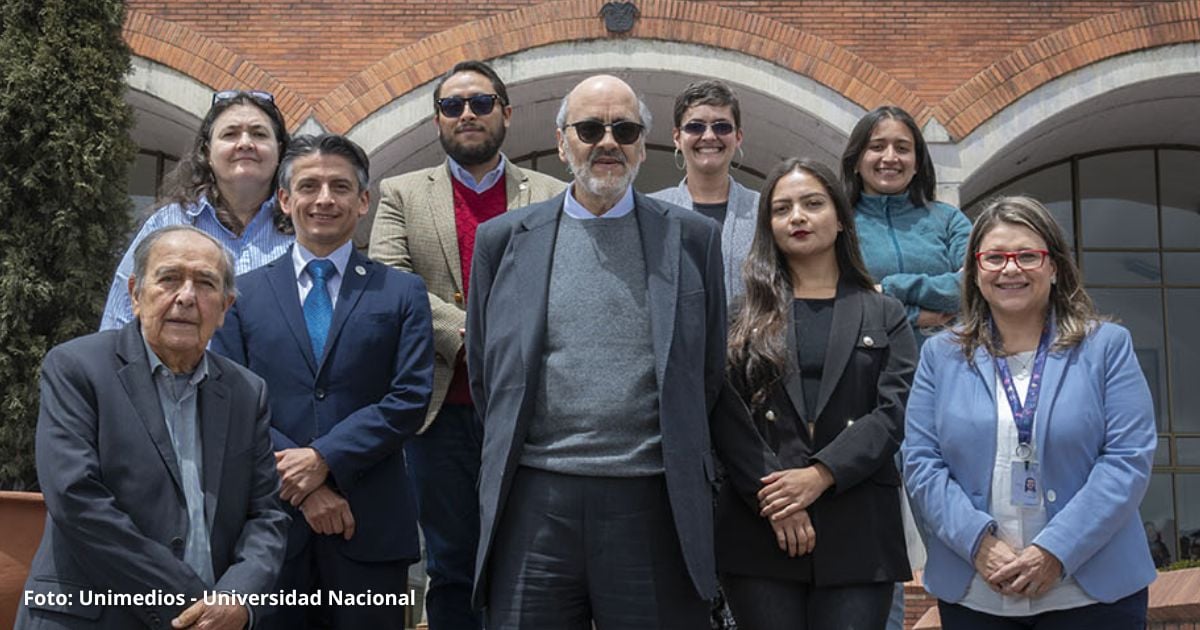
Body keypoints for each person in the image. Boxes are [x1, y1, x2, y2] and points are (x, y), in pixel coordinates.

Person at [466, 74, 730, 628]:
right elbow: (488, 375)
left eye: (625, 129)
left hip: (652, 501)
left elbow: (705, 374)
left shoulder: (691, 238)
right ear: (563, 143)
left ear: (643, 145)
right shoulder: (502, 240)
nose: (607, 142)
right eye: (589, 129)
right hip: (535, 499)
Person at [368, 60, 565, 630]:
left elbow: (560, 283)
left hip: (530, 412)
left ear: (506, 112)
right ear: (438, 120)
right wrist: (476, 333)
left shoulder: (552, 194)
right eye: (453, 106)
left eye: (481, 102)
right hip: (441, 414)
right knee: (451, 563)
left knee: (528, 561)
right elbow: (393, 281)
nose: (468, 114)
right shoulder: (402, 193)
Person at [903, 196, 1157, 629]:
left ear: (1054, 266)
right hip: (976, 595)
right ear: (975, 272)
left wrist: (1055, 551)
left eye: (1027, 256)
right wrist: (977, 543)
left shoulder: (1106, 347)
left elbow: (1126, 460)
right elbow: (921, 462)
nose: (1011, 269)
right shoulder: (940, 356)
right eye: (995, 257)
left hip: (1090, 597)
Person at [212, 134, 434, 629]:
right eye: (309, 186)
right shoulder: (241, 295)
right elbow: (231, 402)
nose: (325, 199)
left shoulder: (401, 292)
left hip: (369, 528)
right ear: (285, 200)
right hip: (268, 531)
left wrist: (324, 459)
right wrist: (306, 488)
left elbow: (409, 399)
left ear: (363, 201)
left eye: (340, 186)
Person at [18, 225, 289, 629]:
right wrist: (191, 599)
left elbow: (266, 514)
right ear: (135, 294)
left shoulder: (247, 392)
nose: (185, 297)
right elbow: (75, 498)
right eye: (168, 279)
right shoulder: (77, 367)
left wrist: (239, 598)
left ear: (225, 307)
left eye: (205, 284)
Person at [716, 158, 916, 629]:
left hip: (857, 523)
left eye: (812, 204)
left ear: (841, 217)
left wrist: (821, 474)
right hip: (761, 524)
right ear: (768, 225)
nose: (797, 217)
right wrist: (778, 498)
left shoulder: (884, 312)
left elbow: (894, 412)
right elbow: (725, 414)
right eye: (782, 209)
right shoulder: (740, 315)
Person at [101, 90, 294, 331]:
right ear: (206, 153)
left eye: (259, 134)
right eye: (230, 134)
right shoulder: (168, 223)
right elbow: (121, 319)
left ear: (279, 151)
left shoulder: (303, 231)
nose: (245, 143)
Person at [840, 105, 972, 344]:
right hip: (865, 368)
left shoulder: (949, 220)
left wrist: (890, 288)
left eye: (902, 148)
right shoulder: (838, 225)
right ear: (856, 161)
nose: (890, 157)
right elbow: (835, 299)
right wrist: (912, 315)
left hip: (944, 367)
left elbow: (974, 283)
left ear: (917, 163)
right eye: (877, 147)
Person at [650, 79, 758, 305]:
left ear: (738, 137)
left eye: (722, 127)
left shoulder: (763, 210)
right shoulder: (652, 210)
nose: (709, 136)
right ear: (677, 137)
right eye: (695, 126)